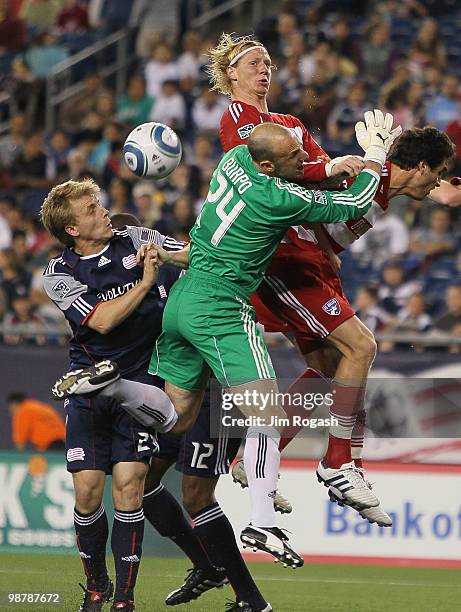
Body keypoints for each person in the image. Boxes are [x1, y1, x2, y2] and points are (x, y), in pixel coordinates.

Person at [53, 112, 398, 583]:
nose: (304, 157)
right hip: (222, 304)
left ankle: (113, 387)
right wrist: (376, 156)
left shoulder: (236, 159)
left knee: (177, 414)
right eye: (295, 155)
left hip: (183, 297)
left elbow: (295, 170)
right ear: (270, 168)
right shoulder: (276, 198)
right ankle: (262, 522)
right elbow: (356, 202)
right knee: (269, 413)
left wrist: (329, 164)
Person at [210, 34, 459, 527]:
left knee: (328, 367)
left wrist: (377, 167)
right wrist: (347, 164)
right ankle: (339, 461)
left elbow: (332, 183)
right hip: (277, 256)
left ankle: (255, 456)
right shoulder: (239, 122)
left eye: (269, 62)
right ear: (231, 75)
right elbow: (271, 177)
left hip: (304, 253)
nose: (265, 69)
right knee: (360, 348)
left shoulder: (291, 124)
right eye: (254, 63)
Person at [109, 214, 273, 612]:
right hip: (175, 386)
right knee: (139, 479)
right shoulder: (122, 281)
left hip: (215, 389)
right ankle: (205, 565)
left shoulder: (175, 262)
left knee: (197, 496)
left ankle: (252, 601)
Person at [40, 178, 186, 612]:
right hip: (85, 386)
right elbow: (100, 321)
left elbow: (194, 254)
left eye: (100, 204)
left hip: (139, 383)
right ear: (72, 229)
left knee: (128, 487)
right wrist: (145, 283)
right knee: (87, 491)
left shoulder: (138, 238)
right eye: (91, 209)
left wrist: (169, 254)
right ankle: (97, 584)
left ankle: (124, 597)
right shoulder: (58, 273)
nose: (103, 212)